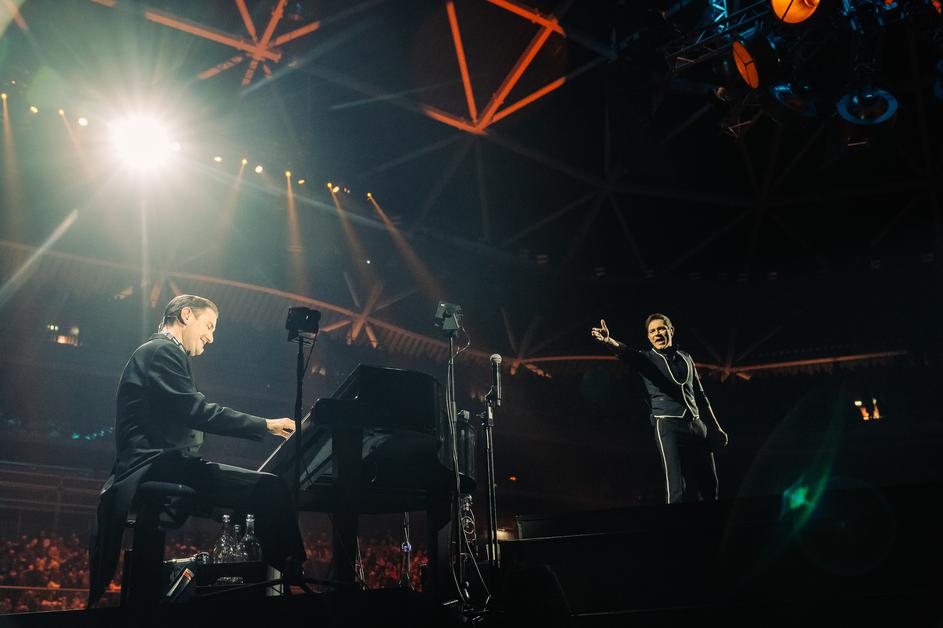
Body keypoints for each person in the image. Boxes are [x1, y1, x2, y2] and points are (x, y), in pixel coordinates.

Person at [88, 295, 306, 607]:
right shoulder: (161, 351)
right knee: (271, 489)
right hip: (157, 466)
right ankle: (287, 587)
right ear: (186, 315)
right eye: (209, 326)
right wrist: (265, 425)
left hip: (161, 465)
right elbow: (197, 411)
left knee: (250, 504)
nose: (211, 337)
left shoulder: (161, 353)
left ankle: (250, 589)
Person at [591, 313, 728, 504]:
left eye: (661, 329)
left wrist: (716, 427)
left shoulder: (686, 357)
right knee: (676, 488)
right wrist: (608, 341)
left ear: (671, 330)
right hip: (669, 426)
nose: (657, 333)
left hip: (697, 426)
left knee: (710, 486)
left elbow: (701, 395)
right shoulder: (646, 359)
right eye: (652, 331)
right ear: (649, 337)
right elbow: (625, 352)